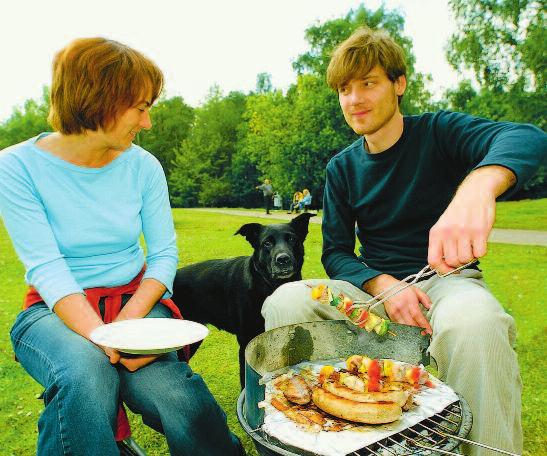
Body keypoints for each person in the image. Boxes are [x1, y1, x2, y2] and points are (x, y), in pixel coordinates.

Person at [261, 28, 546, 455]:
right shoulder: (341, 168)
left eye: (368, 83)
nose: (354, 99)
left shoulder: (439, 131)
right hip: (371, 292)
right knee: (286, 299)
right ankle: (309, 431)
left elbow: (527, 137)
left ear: (399, 84)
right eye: (344, 88)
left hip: (447, 282)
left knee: (478, 324)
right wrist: (382, 284)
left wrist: (478, 186)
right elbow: (336, 252)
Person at [0, 38, 244, 456]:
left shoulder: (144, 166)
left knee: (176, 394)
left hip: (134, 301)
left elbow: (164, 255)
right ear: (101, 100)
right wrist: (104, 337)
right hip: (51, 307)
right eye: (141, 107)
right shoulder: (15, 166)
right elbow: (48, 268)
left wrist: (128, 325)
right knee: (84, 372)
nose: (147, 123)